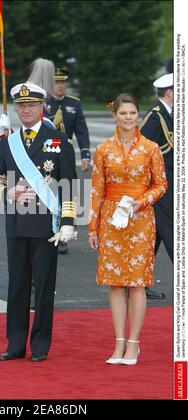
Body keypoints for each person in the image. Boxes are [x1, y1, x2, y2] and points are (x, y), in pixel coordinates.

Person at [0, 82, 77, 362]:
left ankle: (40, 345)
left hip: (45, 226)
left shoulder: (58, 141)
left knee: (43, 287)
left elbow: (70, 184)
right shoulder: (8, 143)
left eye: (31, 105)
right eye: (21, 106)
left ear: (42, 108)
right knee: (16, 286)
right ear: (16, 109)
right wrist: (8, 191)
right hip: (17, 224)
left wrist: (68, 221)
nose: (26, 110)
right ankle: (15, 344)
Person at [88, 93, 167, 365]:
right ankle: (118, 343)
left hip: (140, 219)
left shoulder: (151, 148)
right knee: (115, 283)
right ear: (114, 116)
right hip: (111, 219)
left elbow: (161, 185)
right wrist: (93, 227)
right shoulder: (103, 150)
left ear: (138, 115)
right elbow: (97, 190)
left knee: (137, 283)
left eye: (132, 113)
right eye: (123, 113)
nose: (128, 117)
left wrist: (140, 201)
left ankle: (134, 344)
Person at [46, 67, 91, 254]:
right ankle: (50, 229)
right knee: (49, 191)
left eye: (63, 82)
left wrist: (86, 154)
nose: (60, 86)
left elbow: (81, 130)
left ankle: (64, 232)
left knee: (67, 191)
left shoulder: (74, 103)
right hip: (48, 151)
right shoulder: (43, 102)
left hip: (67, 152)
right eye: (56, 82)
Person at [140, 73, 173, 300]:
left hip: (171, 185)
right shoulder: (156, 117)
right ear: (170, 92)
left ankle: (139, 284)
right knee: (173, 234)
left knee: (155, 238)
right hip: (161, 188)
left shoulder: (171, 115)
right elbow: (140, 149)